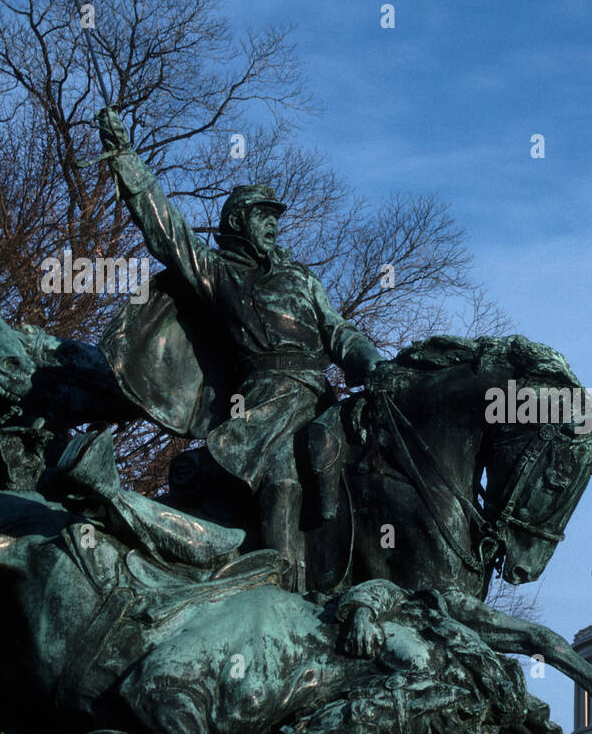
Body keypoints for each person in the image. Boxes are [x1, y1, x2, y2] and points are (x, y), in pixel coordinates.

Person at [95, 107, 381, 590]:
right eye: (263, 217)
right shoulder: (220, 273)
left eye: (275, 219)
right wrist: (125, 160)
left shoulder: (302, 280)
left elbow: (338, 332)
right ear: (238, 221)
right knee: (282, 480)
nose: (274, 227)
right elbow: (168, 233)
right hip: (264, 402)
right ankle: (280, 591)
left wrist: (372, 363)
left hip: (318, 399)